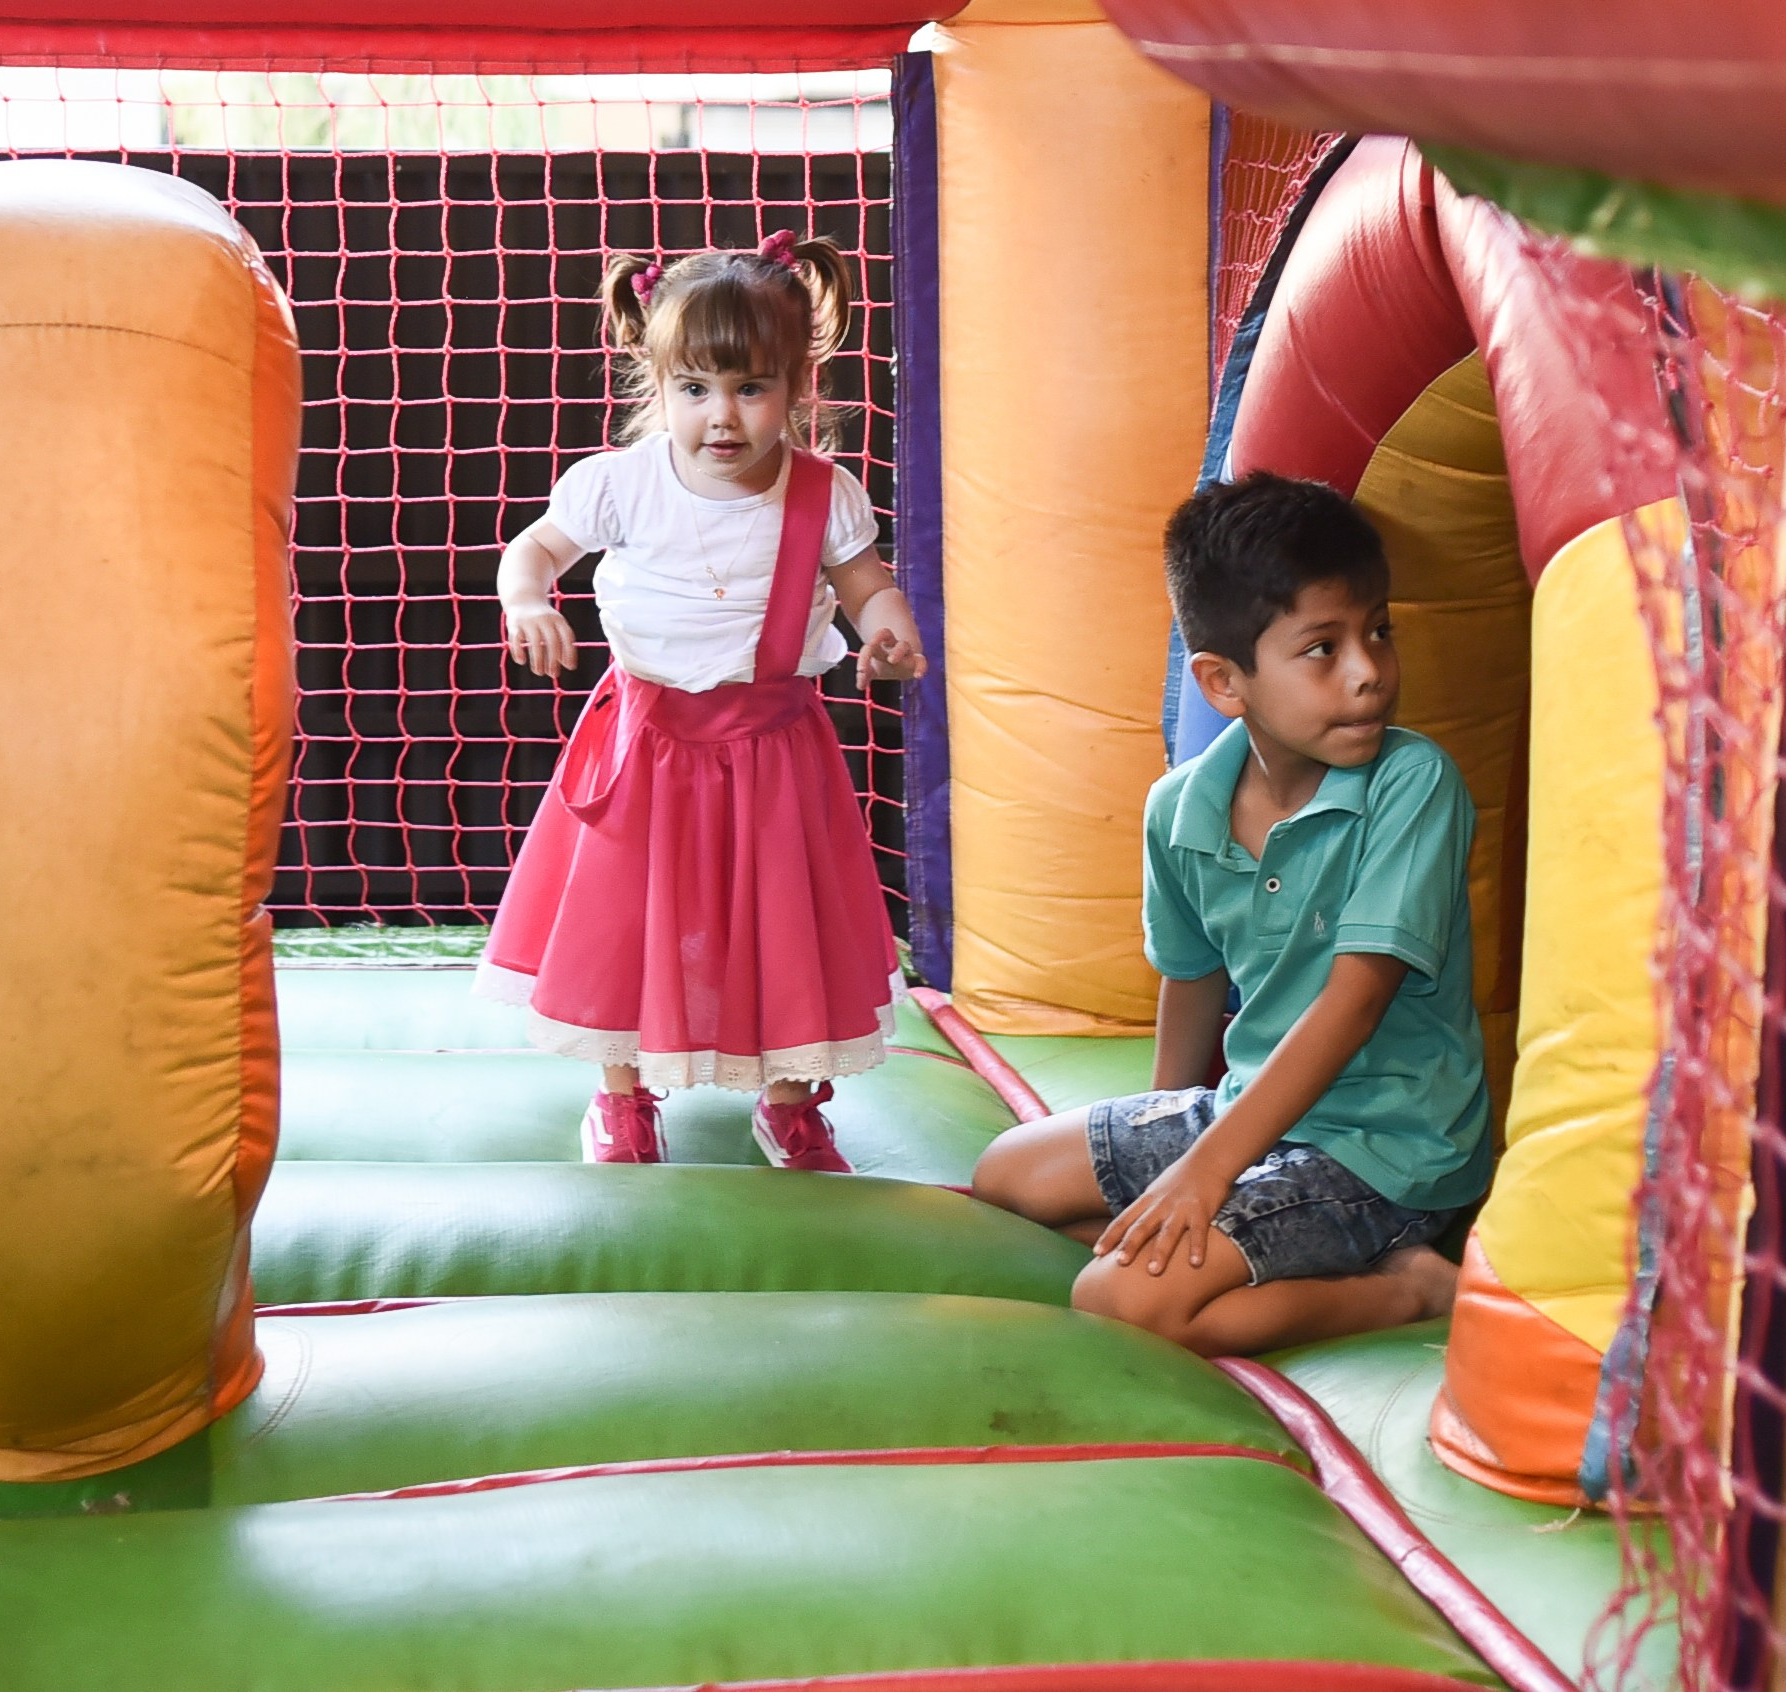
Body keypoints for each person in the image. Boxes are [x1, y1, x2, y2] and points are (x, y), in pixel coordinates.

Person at [972, 472, 1490, 1355]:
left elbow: (1353, 1003)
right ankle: (1250, 1245)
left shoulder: (1412, 783)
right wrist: (1166, 1134)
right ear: (1223, 682)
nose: (1368, 673)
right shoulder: (1181, 808)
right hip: (1248, 1110)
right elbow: (1193, 973)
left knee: (1120, 1303)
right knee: (1007, 1177)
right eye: (1323, 648)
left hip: (1389, 1149)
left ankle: (1403, 1290)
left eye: (1378, 632)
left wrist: (1200, 1177)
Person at [475, 227, 924, 1174]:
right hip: (647, 744)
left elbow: (865, 583)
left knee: (783, 920)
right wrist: (527, 600)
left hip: (772, 749)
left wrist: (891, 627)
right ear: (658, 378)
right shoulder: (619, 484)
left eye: (750, 389)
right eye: (695, 389)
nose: (722, 416)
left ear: (798, 385)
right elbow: (536, 549)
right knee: (623, 922)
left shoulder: (823, 494)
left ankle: (792, 1099)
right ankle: (623, 1095)